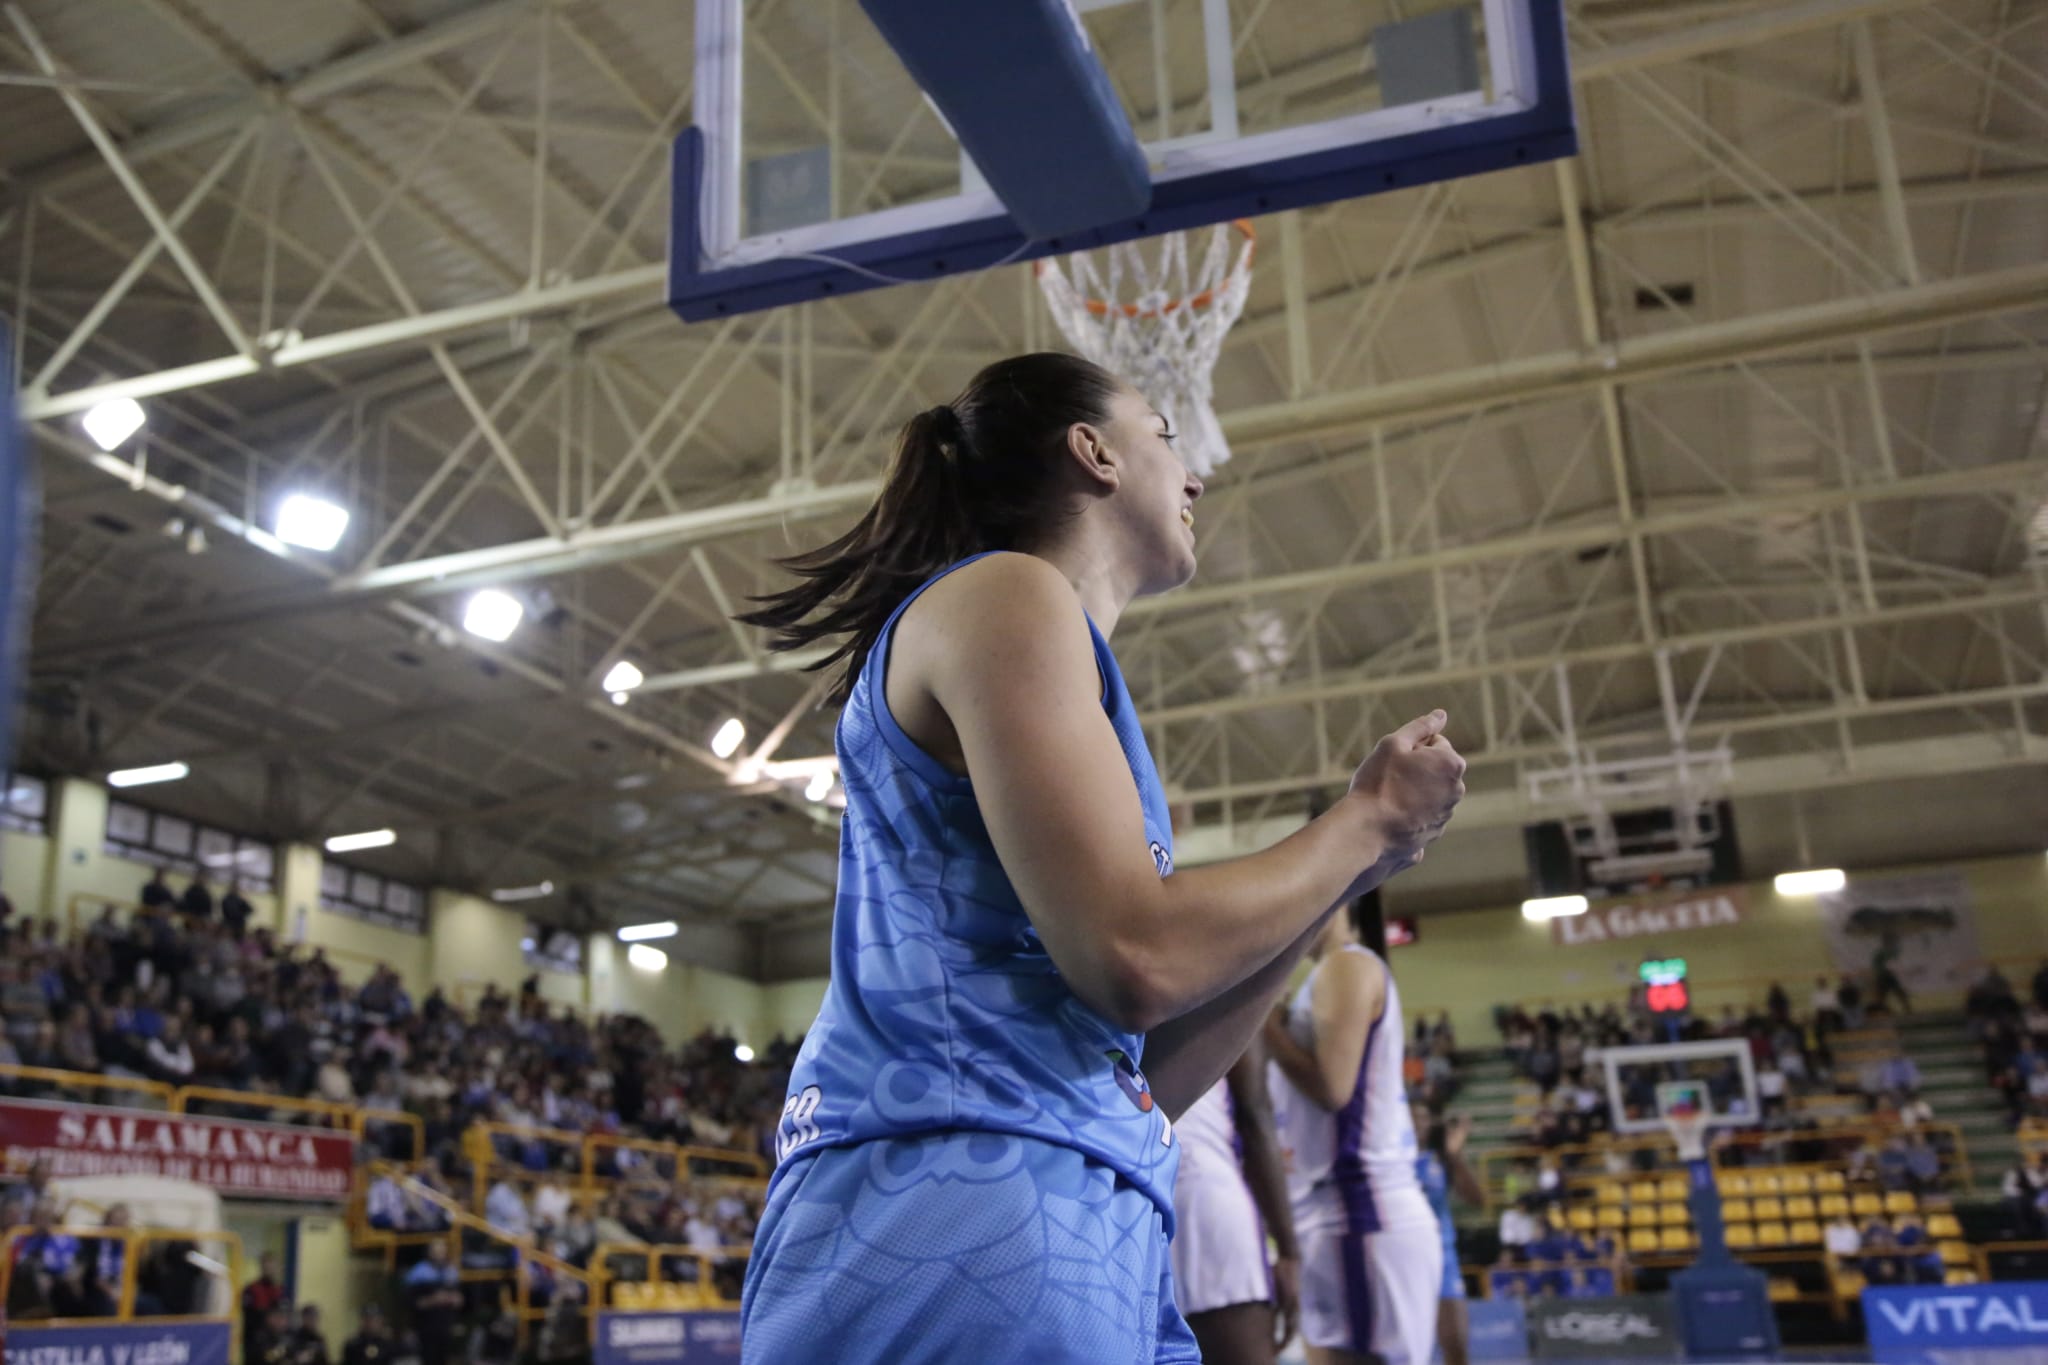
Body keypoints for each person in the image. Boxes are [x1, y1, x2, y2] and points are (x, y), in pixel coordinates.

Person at [732, 355, 1465, 1363]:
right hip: (956, 1206)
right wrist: (1365, 819)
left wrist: (1345, 874)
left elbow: (1142, 1072)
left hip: (1076, 1195)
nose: (1193, 473)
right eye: (1164, 435)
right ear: (1092, 453)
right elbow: (1137, 952)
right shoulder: (1006, 595)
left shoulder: (1055, 653)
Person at [1264, 905, 1443, 1365]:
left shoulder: (1346, 964)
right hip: (1343, 1212)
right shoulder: (1325, 975)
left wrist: (1263, 1023)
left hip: (1358, 1209)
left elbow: (1331, 1087)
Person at [1169, 1041, 1299, 1365]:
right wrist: (1289, 1250)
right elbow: (1254, 1111)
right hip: (1201, 1195)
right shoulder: (1224, 989)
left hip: (1117, 1199)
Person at [1416, 1111, 1486, 1365]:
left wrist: (1455, 1156)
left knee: (1456, 1343)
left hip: (1441, 1256)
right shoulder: (1391, 1159)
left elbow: (1478, 1200)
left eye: (1425, 1117)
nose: (1421, 1123)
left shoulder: (1441, 1158)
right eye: (1415, 1117)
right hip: (1405, 1257)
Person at [403, 1240, 464, 1365]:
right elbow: (411, 1303)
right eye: (435, 1251)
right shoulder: (418, 1273)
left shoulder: (450, 1271)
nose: (439, 1254)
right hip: (426, 1327)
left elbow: (460, 1298)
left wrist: (455, 1299)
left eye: (441, 1251)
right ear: (429, 1252)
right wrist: (433, 1300)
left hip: (446, 1326)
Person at [242, 1252, 287, 1339]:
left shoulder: (281, 1290)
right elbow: (249, 1315)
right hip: (256, 1338)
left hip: (277, 1338)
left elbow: (285, 1315)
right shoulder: (251, 1289)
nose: (269, 1269)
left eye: (272, 1266)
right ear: (261, 1267)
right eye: (266, 1266)